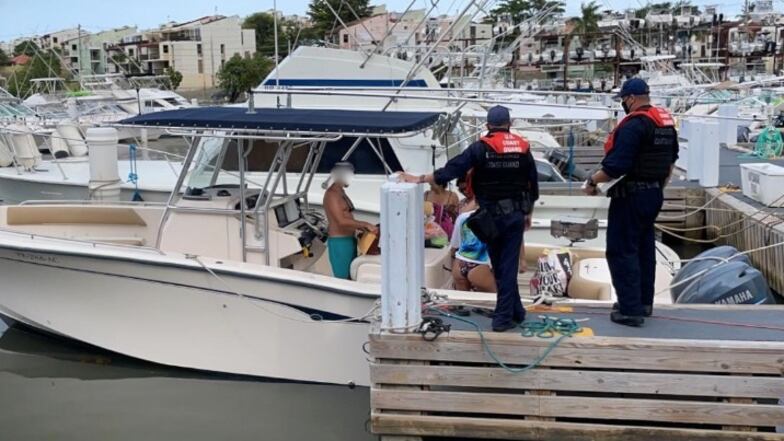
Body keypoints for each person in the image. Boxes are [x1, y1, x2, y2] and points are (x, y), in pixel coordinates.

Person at [401, 106, 539, 332]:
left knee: (502, 266)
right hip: (515, 215)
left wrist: (419, 179)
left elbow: (452, 170)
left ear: (488, 126)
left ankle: (503, 319)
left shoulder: (480, 148)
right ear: (510, 124)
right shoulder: (523, 148)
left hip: (491, 217)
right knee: (506, 265)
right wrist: (528, 214)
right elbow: (532, 184)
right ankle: (516, 311)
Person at [583, 78, 679, 327]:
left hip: (631, 197)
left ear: (631, 98)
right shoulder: (665, 125)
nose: (623, 104)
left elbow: (615, 166)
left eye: (623, 100)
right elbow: (671, 162)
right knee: (644, 250)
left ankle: (629, 310)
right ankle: (643, 303)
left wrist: (592, 182)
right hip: (654, 194)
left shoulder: (634, 125)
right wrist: (657, 188)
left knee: (622, 250)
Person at [323, 162, 376, 279]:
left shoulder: (341, 191)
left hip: (350, 240)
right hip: (340, 242)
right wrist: (365, 224)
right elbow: (341, 221)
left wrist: (362, 228)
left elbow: (347, 216)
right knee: (343, 278)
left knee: (352, 275)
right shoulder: (332, 195)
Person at [450, 210, 495, 293]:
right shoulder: (497, 217)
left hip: (459, 263)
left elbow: (454, 246)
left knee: (462, 300)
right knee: (496, 298)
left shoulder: (463, 217)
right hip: (481, 266)